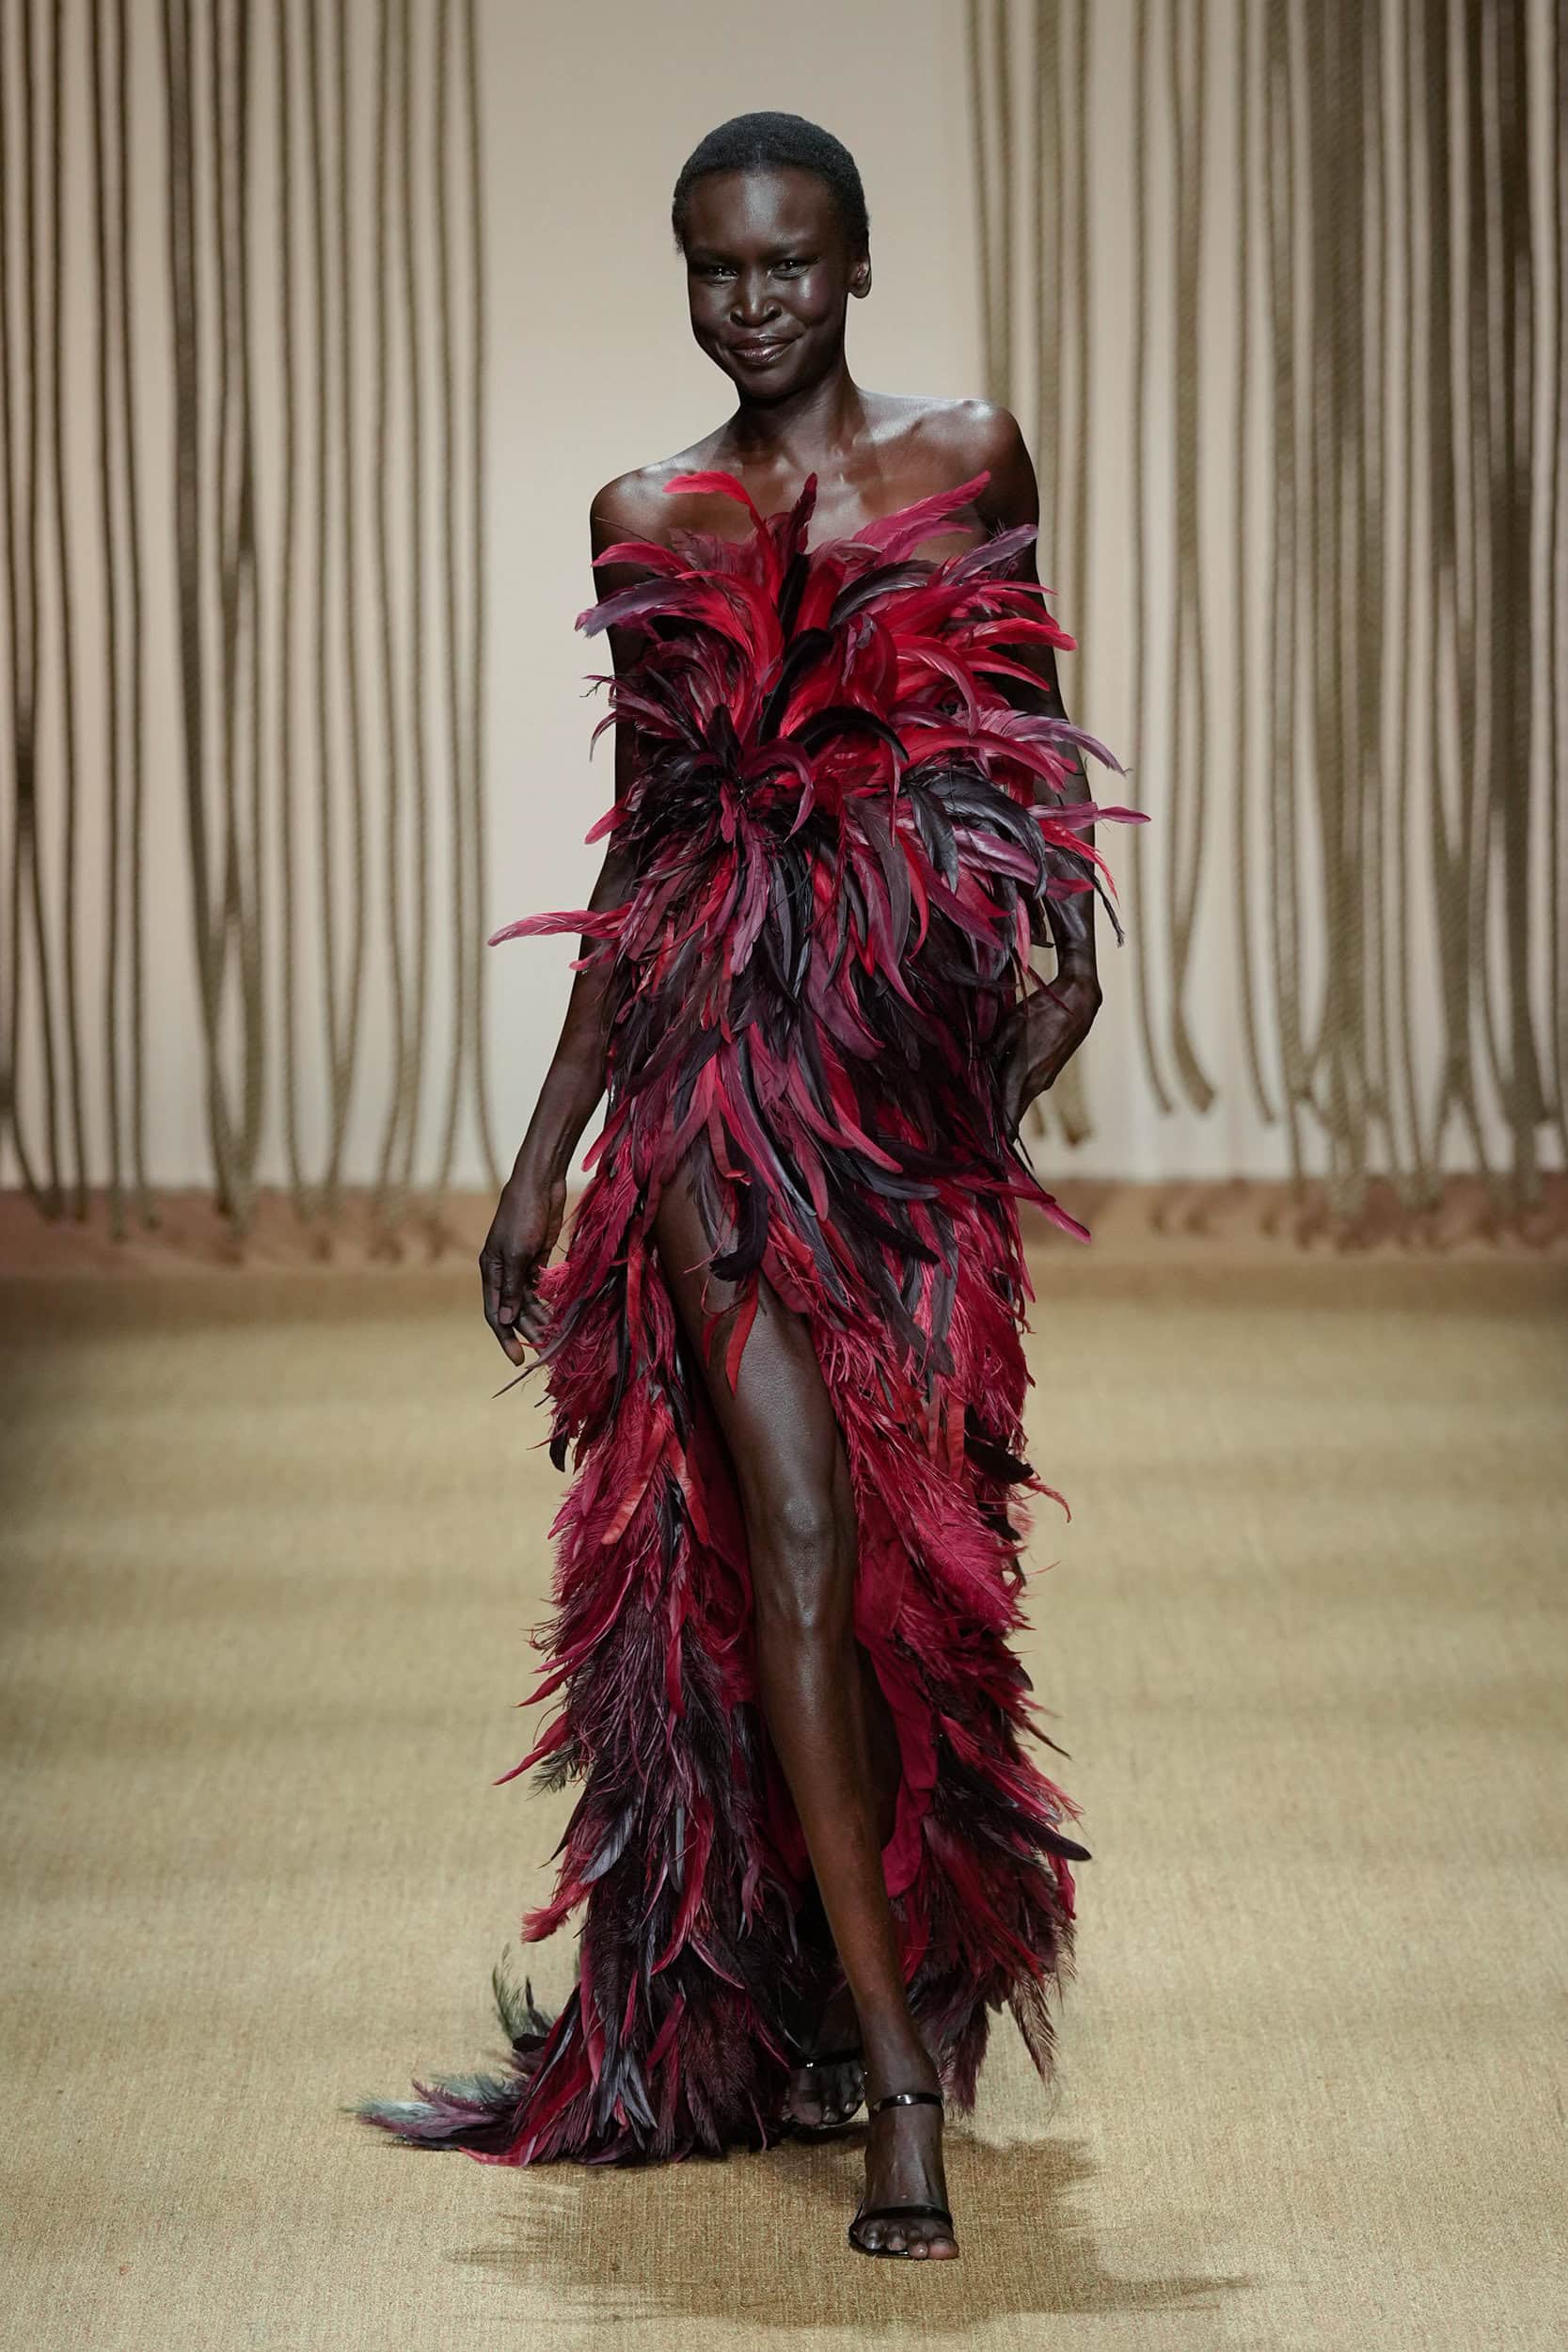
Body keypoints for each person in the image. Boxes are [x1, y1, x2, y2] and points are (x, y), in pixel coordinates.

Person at [359, 110, 1141, 2265]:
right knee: (793, 1529)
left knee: (916, 1552)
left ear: (858, 262)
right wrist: (542, 1159)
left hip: (910, 1094)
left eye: (789, 260)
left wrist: (1075, 967)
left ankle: (849, 1973)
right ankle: (897, 2079)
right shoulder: (651, 514)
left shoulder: (972, 456)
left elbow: (1030, 744)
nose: (754, 299)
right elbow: (649, 850)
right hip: (716, 1086)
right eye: (717, 266)